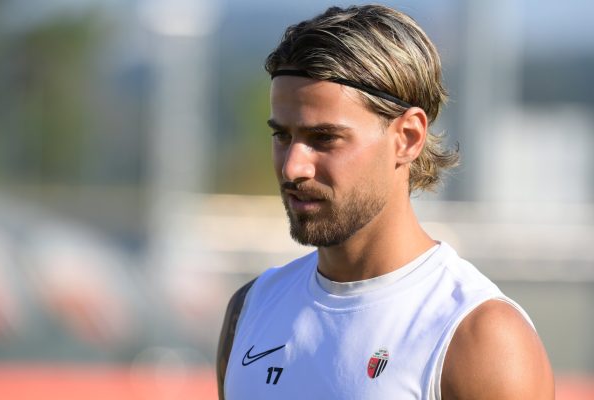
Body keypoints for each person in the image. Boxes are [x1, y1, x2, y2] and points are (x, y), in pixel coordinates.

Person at [216, 4, 554, 399]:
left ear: (408, 138)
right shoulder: (250, 309)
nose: (293, 167)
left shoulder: (479, 338)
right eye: (282, 136)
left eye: (324, 138)